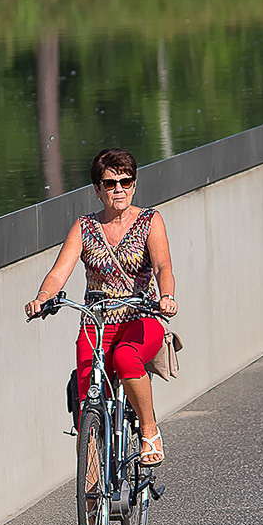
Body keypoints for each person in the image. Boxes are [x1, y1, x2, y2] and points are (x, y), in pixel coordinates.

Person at [25, 148, 178, 466]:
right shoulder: (84, 227)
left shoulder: (150, 221)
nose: (119, 189)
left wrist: (167, 296)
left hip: (141, 319)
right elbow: (58, 272)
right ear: (97, 189)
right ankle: (93, 502)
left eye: (125, 181)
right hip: (96, 325)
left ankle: (149, 430)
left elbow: (163, 265)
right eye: (110, 184)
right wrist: (42, 297)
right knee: (86, 404)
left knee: (125, 357)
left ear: (134, 184)